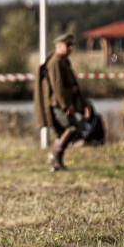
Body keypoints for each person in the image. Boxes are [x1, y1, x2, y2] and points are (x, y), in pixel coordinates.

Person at [40, 33, 91, 172]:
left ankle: (56, 159)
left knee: (64, 131)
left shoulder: (63, 62)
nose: (70, 49)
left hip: (64, 103)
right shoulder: (55, 62)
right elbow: (57, 87)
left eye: (71, 46)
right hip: (58, 104)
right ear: (59, 46)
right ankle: (55, 157)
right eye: (67, 45)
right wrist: (65, 105)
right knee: (72, 127)